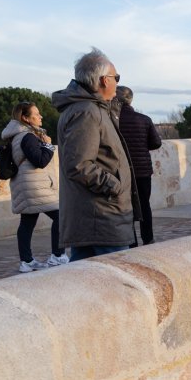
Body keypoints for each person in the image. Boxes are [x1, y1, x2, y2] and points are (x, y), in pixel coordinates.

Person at [53, 47, 135, 262]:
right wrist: (113, 186)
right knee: (116, 282)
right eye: (115, 77)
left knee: (86, 284)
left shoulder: (90, 109)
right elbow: (79, 165)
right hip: (102, 215)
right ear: (103, 80)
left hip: (96, 215)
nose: (117, 83)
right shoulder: (86, 112)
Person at [1, 101, 67, 271]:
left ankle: (26, 261)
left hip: (25, 185)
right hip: (35, 186)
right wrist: (48, 145)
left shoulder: (17, 136)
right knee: (62, 216)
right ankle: (57, 256)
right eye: (36, 114)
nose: (41, 116)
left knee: (27, 223)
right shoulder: (27, 136)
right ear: (25, 118)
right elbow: (40, 161)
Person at [115, 86, 162, 246]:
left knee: (125, 207)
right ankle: (148, 238)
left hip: (121, 171)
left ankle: (132, 242)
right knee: (144, 205)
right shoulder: (144, 119)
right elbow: (156, 142)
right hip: (143, 170)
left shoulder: (112, 121)